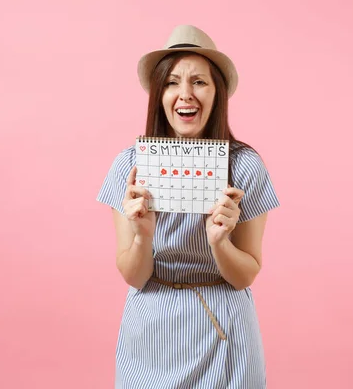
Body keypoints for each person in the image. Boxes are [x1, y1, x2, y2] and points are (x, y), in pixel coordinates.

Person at [97, 24, 280, 388]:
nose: (185, 95)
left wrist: (220, 242)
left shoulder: (245, 166)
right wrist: (142, 236)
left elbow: (246, 273)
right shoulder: (128, 166)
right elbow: (133, 275)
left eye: (199, 82)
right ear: (158, 93)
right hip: (151, 329)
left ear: (217, 93)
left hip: (223, 329)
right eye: (172, 83)